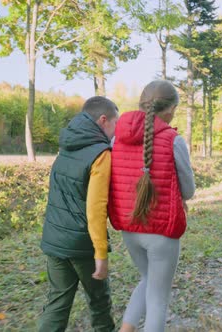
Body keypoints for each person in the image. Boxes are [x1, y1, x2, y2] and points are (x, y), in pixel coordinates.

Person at [108, 80, 196, 332]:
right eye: (176, 108)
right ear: (169, 110)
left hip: (129, 228)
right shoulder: (173, 140)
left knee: (148, 280)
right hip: (161, 232)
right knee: (158, 299)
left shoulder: (117, 139)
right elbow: (188, 191)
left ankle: (126, 329)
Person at [38, 96, 119, 332]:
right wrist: (101, 254)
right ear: (103, 120)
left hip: (54, 237)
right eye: (115, 123)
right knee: (99, 302)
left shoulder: (68, 144)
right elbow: (95, 209)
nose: (115, 132)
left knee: (57, 302)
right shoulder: (100, 154)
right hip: (82, 242)